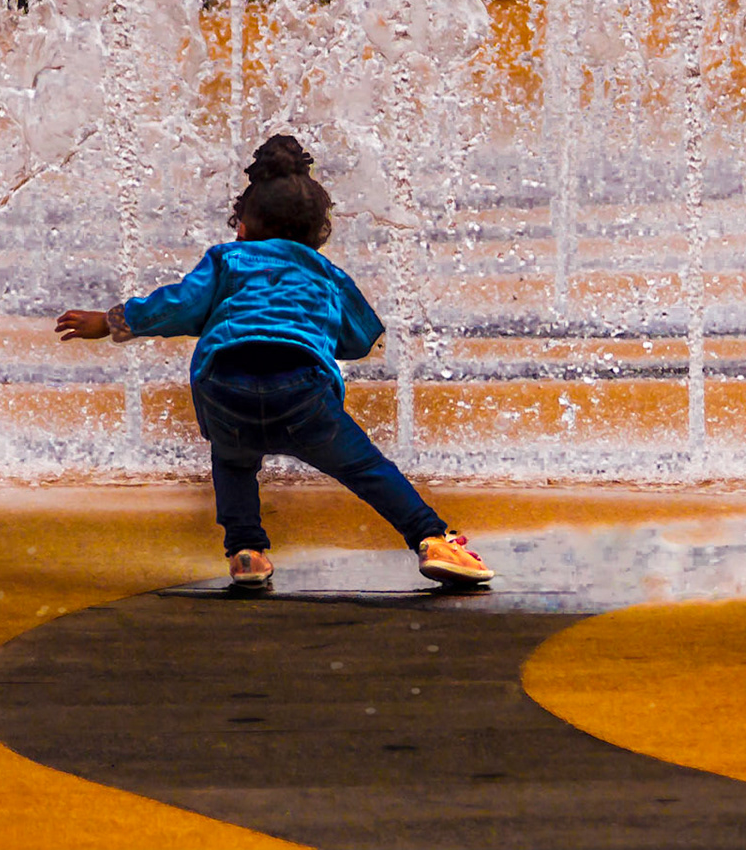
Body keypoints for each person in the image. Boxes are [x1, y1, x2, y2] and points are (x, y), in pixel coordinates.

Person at [55, 134, 493, 590]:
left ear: (241, 223)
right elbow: (363, 338)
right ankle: (433, 540)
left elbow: (181, 305)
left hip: (226, 385)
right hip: (301, 391)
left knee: (233, 461)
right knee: (366, 469)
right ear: (317, 233)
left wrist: (111, 321)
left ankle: (246, 551)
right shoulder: (327, 274)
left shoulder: (227, 260)